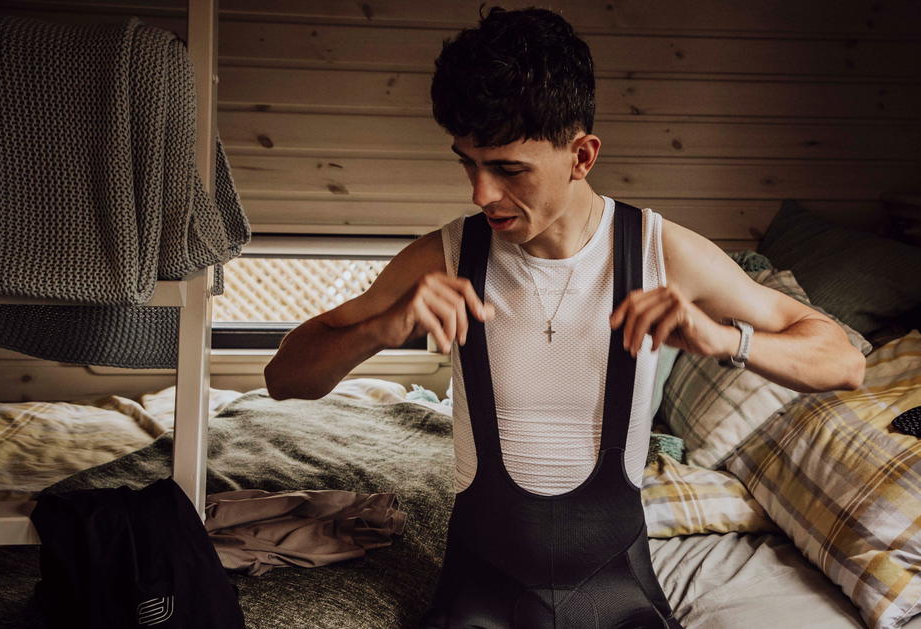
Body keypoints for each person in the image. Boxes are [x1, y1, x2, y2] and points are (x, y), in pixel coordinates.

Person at [264, 6, 866, 627]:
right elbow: (284, 380)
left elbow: (843, 362)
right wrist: (380, 330)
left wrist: (722, 339)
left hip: (616, 589)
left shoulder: (660, 252)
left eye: (508, 169)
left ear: (582, 155)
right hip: (480, 591)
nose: (480, 193)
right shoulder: (446, 255)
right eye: (468, 162)